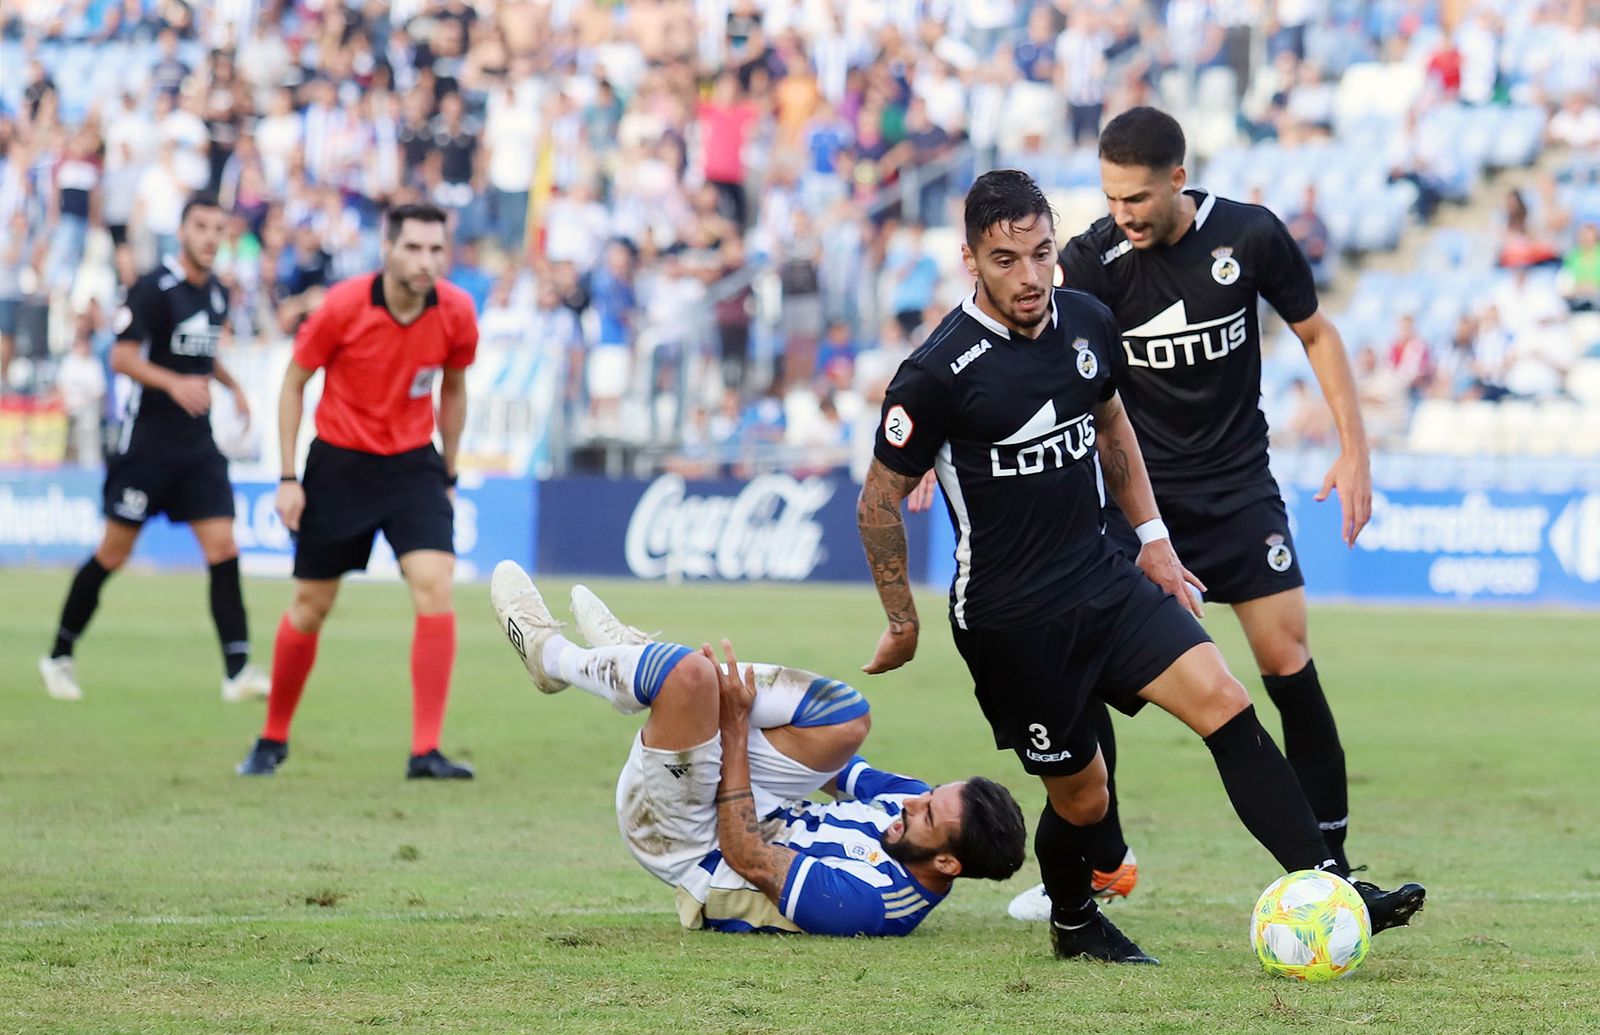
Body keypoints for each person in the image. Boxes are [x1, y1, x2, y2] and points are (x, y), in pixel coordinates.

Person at [858, 168, 1423, 964]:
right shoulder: (936, 373)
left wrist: (1154, 539)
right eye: (1006, 259)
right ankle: (1073, 920)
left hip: (1103, 577)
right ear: (970, 260)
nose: (1030, 276)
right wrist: (901, 620)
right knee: (1084, 799)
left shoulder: (1087, 321)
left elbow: (1115, 430)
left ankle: (1330, 883)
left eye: (1042, 253)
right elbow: (876, 502)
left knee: (1227, 701)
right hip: (1012, 620)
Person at [996, 108, 1380, 922]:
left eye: (1136, 197)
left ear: (1177, 179)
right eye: (1110, 198)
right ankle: (1105, 862)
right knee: (1085, 664)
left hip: (1238, 490)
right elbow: (1025, 347)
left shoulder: (1251, 236)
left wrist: (1354, 449)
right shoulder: (1092, 260)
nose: (1122, 214)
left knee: (1285, 660)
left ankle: (1332, 867)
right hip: (1137, 502)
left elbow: (1316, 333)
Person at [487, 562, 1028, 936]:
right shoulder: (910, 806)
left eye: (928, 814)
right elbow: (837, 766)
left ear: (948, 862)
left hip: (686, 840)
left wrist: (736, 728)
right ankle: (639, 664)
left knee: (689, 678)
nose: (913, 801)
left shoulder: (871, 904)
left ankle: (552, 657)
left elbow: (744, 853)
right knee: (847, 718)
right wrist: (759, 726)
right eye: (930, 794)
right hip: (753, 801)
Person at [236, 203, 477, 780]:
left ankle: (426, 751)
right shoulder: (342, 306)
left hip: (414, 466)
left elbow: (454, 389)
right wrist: (289, 477)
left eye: (436, 250)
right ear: (387, 250)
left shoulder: (458, 312)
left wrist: (448, 471)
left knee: (434, 584)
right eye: (414, 248)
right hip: (340, 465)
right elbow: (294, 383)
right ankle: (272, 739)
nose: (426, 261)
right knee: (312, 606)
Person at [39, 193, 270, 704]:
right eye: (202, 227)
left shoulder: (215, 293)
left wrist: (232, 386)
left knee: (224, 548)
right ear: (183, 232)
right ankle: (58, 655)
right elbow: (122, 358)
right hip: (149, 445)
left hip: (198, 445)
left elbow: (202, 354)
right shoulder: (152, 287)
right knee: (113, 553)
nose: (211, 237)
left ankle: (237, 672)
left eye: (218, 229)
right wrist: (173, 384)